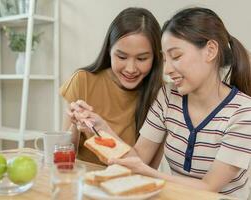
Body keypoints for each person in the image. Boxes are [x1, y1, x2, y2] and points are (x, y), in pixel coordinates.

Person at [105, 7, 251, 199]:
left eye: (176, 56)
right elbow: (139, 158)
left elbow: (209, 187)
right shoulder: (167, 96)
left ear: (210, 51)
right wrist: (100, 128)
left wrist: (148, 173)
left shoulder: (243, 112)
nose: (167, 69)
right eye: (165, 59)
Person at [60, 7, 164, 165]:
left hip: (130, 183)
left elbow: (149, 167)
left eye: (142, 59)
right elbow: (65, 154)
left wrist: (103, 129)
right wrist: (75, 125)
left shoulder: (162, 94)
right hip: (84, 180)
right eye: (121, 56)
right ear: (109, 49)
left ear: (155, 57)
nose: (130, 68)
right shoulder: (83, 80)